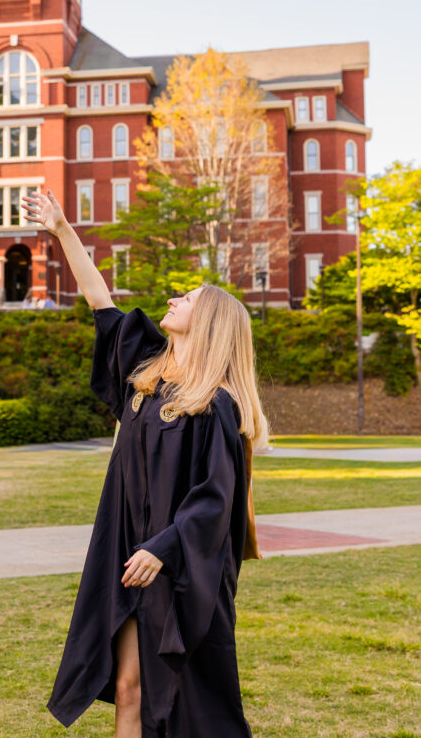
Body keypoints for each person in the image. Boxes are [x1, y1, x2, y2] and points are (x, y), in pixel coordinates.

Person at [21, 189, 266, 738]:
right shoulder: (146, 373)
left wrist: (163, 549)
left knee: (183, 698)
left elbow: (215, 497)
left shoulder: (215, 404)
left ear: (209, 324)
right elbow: (100, 303)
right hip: (126, 551)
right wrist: (63, 230)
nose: (176, 297)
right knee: (127, 687)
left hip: (178, 566)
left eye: (189, 297)